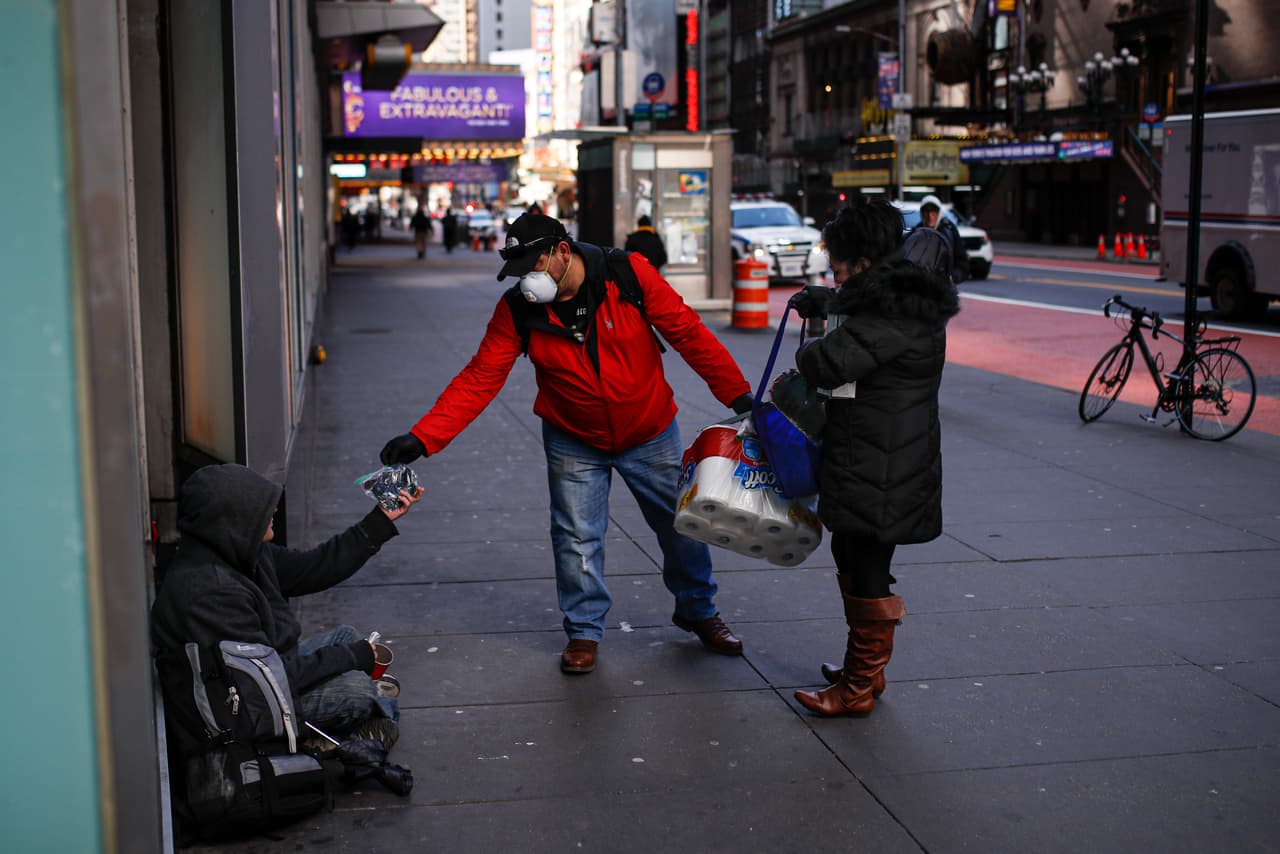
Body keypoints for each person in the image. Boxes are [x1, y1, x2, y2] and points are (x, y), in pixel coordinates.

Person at [379, 212, 754, 675]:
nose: (528, 280)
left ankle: (698, 609)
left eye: (534, 267)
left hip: (649, 429)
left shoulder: (628, 274)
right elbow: (481, 377)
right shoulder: (518, 309)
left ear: (561, 251)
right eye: (520, 273)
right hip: (572, 437)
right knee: (576, 537)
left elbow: (688, 334)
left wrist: (738, 396)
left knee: (682, 525)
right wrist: (424, 435)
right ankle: (583, 630)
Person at [788, 198, 959, 718]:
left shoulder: (892, 310)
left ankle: (859, 684)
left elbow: (829, 361)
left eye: (839, 261)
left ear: (863, 259)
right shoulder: (895, 296)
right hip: (879, 453)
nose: (833, 269)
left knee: (863, 563)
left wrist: (809, 347)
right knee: (857, 557)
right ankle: (866, 671)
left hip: (882, 461)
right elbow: (856, 315)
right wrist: (825, 301)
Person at [151, 463, 423, 746]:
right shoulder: (211, 593)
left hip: (268, 666)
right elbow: (264, 681)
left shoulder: (243, 552)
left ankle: (369, 717)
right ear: (235, 519)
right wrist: (353, 658)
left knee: (347, 636)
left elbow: (316, 566)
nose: (274, 511)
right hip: (245, 705)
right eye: (262, 508)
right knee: (357, 691)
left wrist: (380, 520)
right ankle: (364, 723)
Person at [915, 194, 969, 283]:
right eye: (926, 211)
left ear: (939, 212)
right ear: (921, 213)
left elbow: (962, 263)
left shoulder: (949, 231)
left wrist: (953, 277)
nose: (930, 215)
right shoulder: (917, 233)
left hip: (945, 287)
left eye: (934, 211)